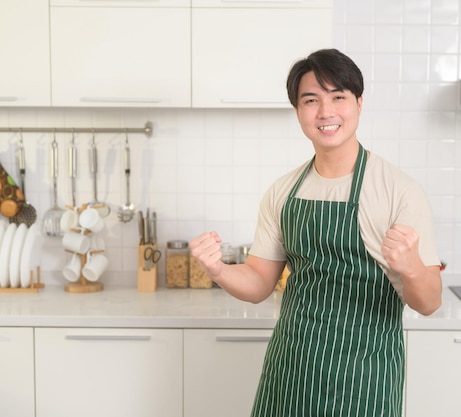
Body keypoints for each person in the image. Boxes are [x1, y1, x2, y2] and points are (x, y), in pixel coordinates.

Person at [189, 48, 442, 417]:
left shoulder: (398, 191)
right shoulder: (283, 191)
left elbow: (429, 302)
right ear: (298, 111)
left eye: (338, 97)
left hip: (364, 377)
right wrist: (219, 271)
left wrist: (412, 269)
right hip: (292, 368)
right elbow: (260, 281)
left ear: (358, 103)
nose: (326, 112)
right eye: (312, 100)